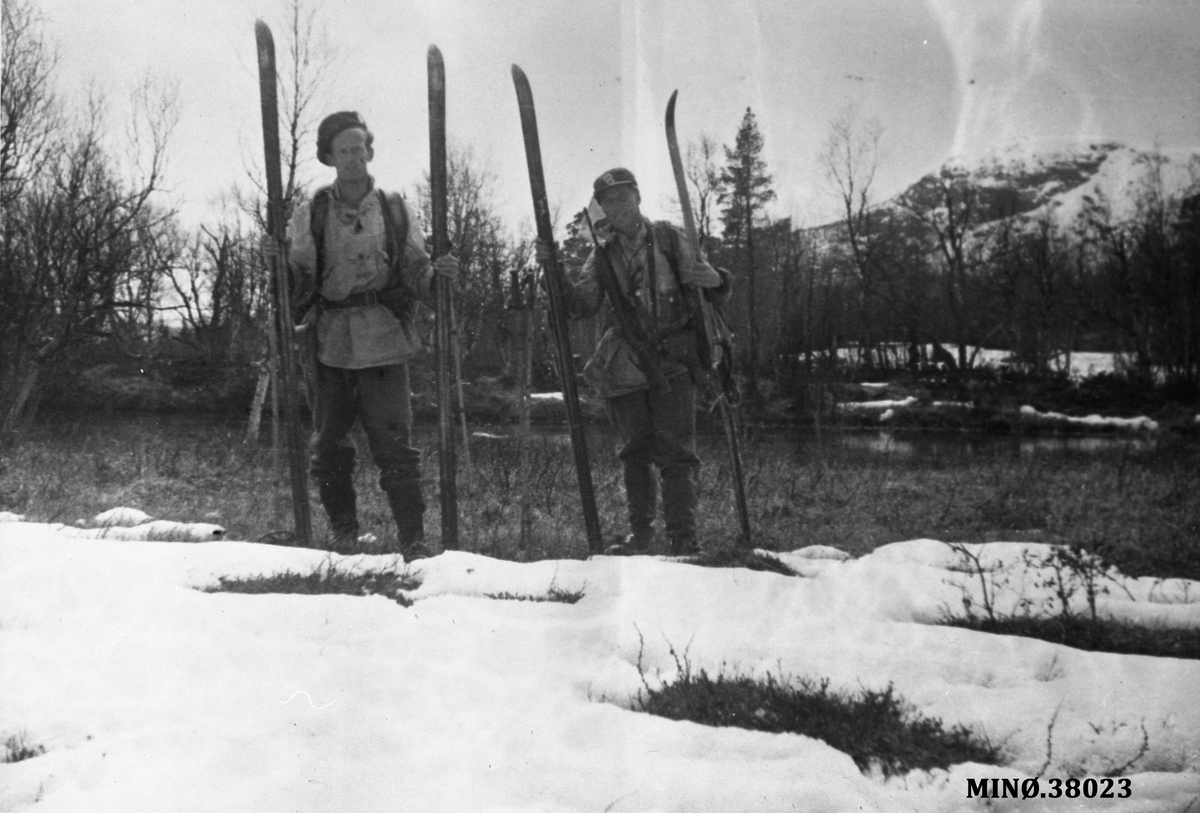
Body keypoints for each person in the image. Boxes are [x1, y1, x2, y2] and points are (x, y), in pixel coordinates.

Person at [282, 110, 458, 559]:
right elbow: (298, 278)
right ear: (329, 157)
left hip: (383, 338)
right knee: (328, 447)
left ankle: (413, 543)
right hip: (329, 344)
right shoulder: (312, 212)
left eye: (358, 148)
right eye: (342, 151)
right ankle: (343, 538)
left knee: (395, 445)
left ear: (369, 151)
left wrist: (438, 277)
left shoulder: (394, 208)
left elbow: (416, 267)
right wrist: (276, 264)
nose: (352, 158)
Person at [550, 168, 731, 556]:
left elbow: (706, 283)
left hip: (674, 358)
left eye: (623, 197)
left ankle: (684, 538)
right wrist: (556, 273)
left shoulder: (668, 238)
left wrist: (716, 280)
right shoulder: (600, 256)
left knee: (677, 451)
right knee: (634, 451)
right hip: (626, 363)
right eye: (609, 202)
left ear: (638, 198)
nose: (618, 207)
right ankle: (642, 537)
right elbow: (583, 305)